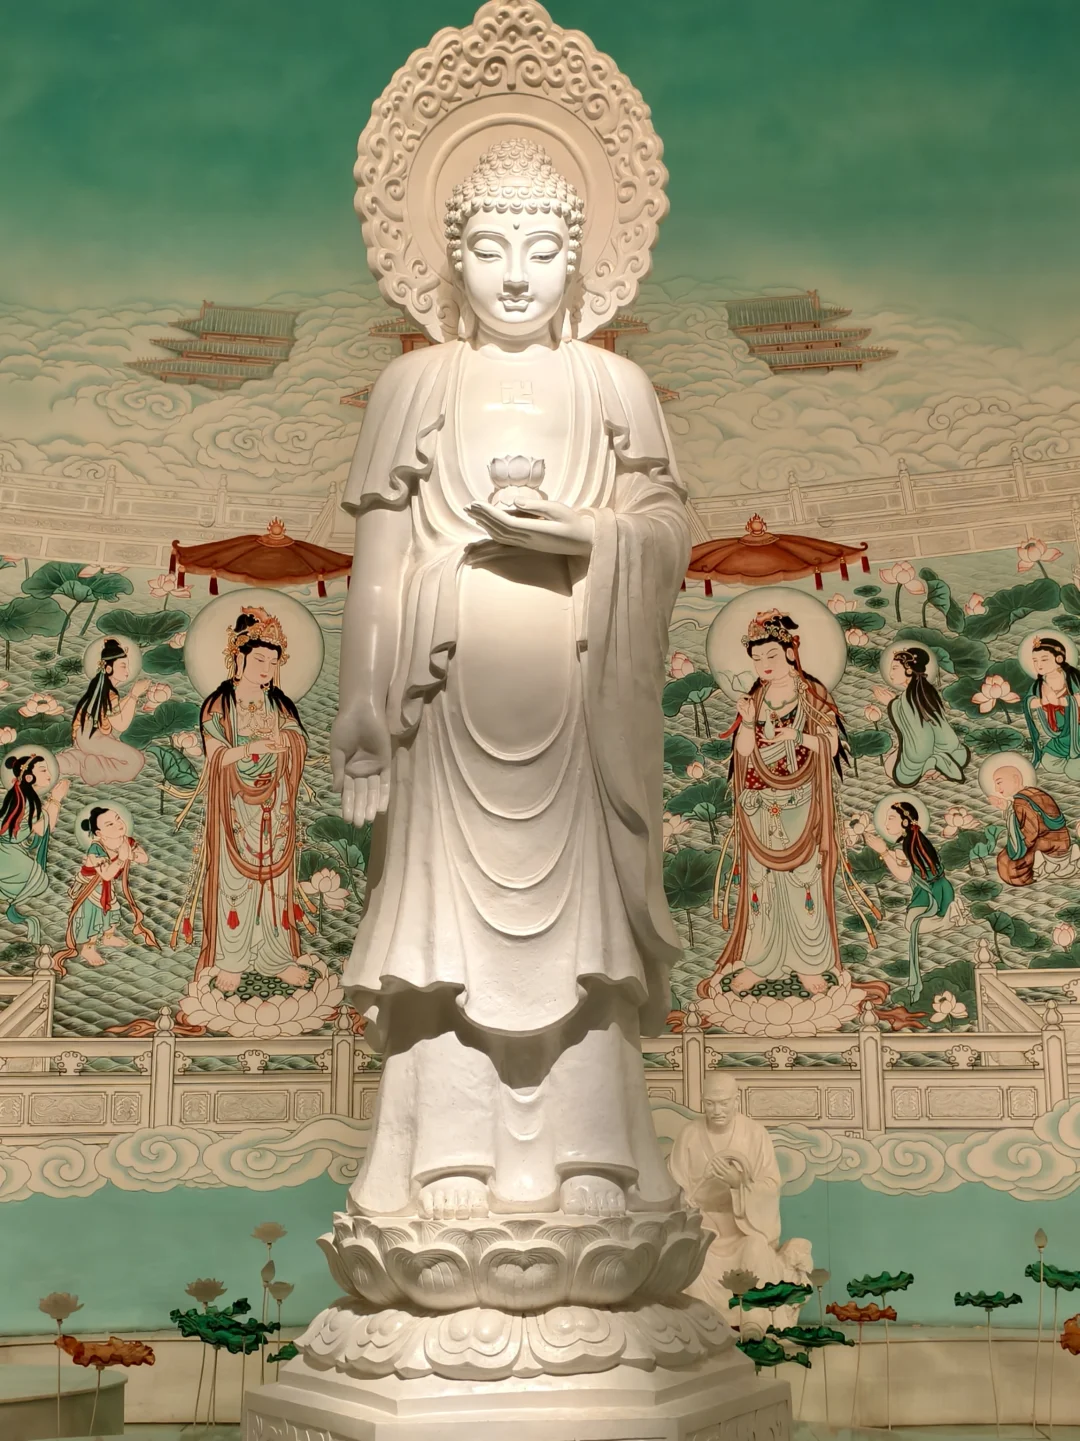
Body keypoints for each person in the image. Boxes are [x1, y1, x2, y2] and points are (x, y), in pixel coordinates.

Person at [331, 139, 689, 1221]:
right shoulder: (415, 384)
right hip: (441, 707)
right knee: (442, 939)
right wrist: (361, 702)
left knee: (587, 941)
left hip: (581, 706)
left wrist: (590, 533)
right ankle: (440, 1157)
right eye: (490, 248)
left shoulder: (614, 385)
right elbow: (379, 562)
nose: (518, 274)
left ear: (580, 259)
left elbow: (665, 530)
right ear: (452, 260)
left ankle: (595, 1160)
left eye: (542, 248)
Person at [704, 610, 874, 1001]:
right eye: (756, 658)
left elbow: (830, 745)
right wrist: (748, 723)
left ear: (790, 652)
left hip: (801, 801)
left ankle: (809, 962)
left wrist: (797, 736)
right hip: (758, 801)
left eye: (770, 655)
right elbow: (742, 752)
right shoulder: (755, 698)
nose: (764, 664)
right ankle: (761, 961)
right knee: (761, 884)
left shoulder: (812, 694)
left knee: (803, 880)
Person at [174, 608, 316, 994]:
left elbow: (298, 741)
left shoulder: (281, 704)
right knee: (234, 884)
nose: (267, 669)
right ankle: (231, 960)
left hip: (276, 803)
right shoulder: (219, 705)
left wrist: (287, 741)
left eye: (273, 662)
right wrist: (253, 748)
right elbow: (216, 756)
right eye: (260, 660)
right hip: (235, 805)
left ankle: (276, 959)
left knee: (275, 883)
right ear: (239, 657)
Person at [668, 1072, 811, 1326]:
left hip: (743, 1228)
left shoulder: (755, 1134)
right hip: (704, 1224)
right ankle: (702, 1323)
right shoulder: (689, 1134)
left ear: (736, 1100)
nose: (717, 1110)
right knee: (694, 1254)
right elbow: (674, 1187)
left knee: (756, 1249)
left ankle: (754, 1320)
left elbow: (770, 1185)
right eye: (710, 1103)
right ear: (702, 1101)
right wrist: (696, 1190)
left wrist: (739, 1184)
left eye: (724, 1103)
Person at [865, 801, 967, 1001]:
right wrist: (887, 852)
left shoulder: (907, 845)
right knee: (917, 921)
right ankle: (953, 912)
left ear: (905, 822)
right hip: (942, 888)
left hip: (929, 892)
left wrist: (883, 851)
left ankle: (948, 919)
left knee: (911, 924)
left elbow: (904, 875)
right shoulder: (916, 840)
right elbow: (907, 862)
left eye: (891, 818)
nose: (886, 823)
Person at [53, 806, 158, 972]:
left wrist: (130, 855)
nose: (118, 824)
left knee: (112, 910)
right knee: (94, 914)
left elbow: (144, 858)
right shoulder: (96, 849)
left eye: (118, 818)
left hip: (107, 887)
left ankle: (108, 937)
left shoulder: (126, 841)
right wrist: (121, 858)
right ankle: (88, 948)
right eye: (110, 824)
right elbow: (107, 874)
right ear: (99, 833)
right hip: (90, 887)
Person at [58, 638, 149, 785]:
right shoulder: (108, 693)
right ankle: (93, 771)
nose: (128, 671)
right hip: (91, 737)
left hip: (88, 736)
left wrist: (130, 696)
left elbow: (114, 710)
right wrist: (134, 695)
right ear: (108, 668)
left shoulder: (103, 689)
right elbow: (121, 725)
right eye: (123, 666)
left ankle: (79, 760)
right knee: (135, 760)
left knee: (121, 757)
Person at [874, 646, 968, 786]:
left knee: (890, 768)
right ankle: (935, 768)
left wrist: (891, 704)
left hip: (924, 751)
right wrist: (895, 703)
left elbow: (920, 735)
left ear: (909, 670)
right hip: (952, 750)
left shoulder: (908, 697)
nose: (890, 673)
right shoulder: (925, 691)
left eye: (894, 668)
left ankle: (930, 766)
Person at [0, 753, 69, 943]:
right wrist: (56, 799)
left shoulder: (21, 796)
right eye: (43, 770)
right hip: (5, 854)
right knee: (38, 881)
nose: (49, 774)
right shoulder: (27, 801)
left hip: (8, 851)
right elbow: (43, 828)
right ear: (29, 777)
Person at [988, 763, 1074, 885]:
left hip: (1049, 846)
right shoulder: (1034, 792)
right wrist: (1007, 808)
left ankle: (1048, 867)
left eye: (999, 782)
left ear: (1016, 779)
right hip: (1061, 841)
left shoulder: (1021, 802)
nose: (997, 789)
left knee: (1007, 865)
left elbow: (1029, 835)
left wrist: (1016, 851)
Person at [1024, 636, 1080, 782]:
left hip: (1077, 730)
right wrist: (1041, 701)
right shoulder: (1039, 685)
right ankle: (1071, 760)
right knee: (1049, 762)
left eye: (1044, 659)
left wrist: (1061, 701)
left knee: (1073, 772)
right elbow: (1029, 702)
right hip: (1060, 736)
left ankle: (1074, 761)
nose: (1039, 665)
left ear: (1059, 658)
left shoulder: (1072, 678)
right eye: (1035, 660)